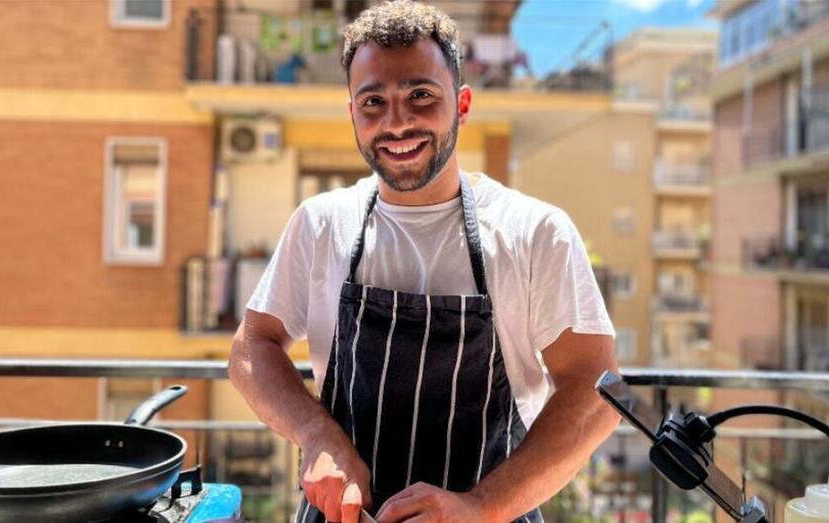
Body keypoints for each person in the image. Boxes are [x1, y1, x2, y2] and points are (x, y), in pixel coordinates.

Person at [229, 2, 620, 522]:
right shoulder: (321, 223)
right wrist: (314, 433)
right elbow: (252, 346)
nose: (397, 123)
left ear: (461, 104)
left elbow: (595, 392)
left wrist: (480, 507)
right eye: (373, 102)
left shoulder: (534, 232)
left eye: (420, 95)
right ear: (352, 113)